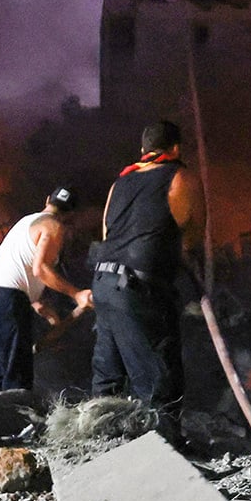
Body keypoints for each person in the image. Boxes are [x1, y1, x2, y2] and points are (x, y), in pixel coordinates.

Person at [91, 120, 202, 421]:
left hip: (102, 283)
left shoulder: (119, 183)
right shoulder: (180, 177)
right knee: (159, 377)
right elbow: (191, 236)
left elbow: (105, 234)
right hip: (139, 289)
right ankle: (164, 443)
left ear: (143, 150)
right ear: (176, 148)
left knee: (108, 378)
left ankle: (101, 445)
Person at [0, 187, 92, 393]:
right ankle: (17, 419)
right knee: (17, 374)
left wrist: (33, 300)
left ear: (48, 200)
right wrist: (77, 294)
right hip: (7, 298)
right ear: (71, 214)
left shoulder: (26, 221)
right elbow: (41, 268)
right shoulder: (54, 226)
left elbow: (18, 262)